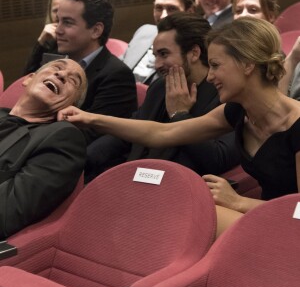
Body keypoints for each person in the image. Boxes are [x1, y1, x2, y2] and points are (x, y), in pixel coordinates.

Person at [58, 17, 300, 237]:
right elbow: (162, 133)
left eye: (216, 65)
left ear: (247, 65)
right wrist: (90, 118)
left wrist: (238, 202)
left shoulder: (296, 123)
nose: (211, 75)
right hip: (266, 213)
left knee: (188, 216)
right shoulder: (237, 110)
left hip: (290, 222)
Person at [84, 12, 238, 183]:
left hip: (179, 191)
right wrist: (84, 159)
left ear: (194, 53)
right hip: (135, 181)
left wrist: (180, 115)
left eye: (164, 54)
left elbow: (217, 160)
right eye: (155, 55)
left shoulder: (225, 94)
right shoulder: (159, 88)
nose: (157, 65)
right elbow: (129, 134)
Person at [0, 58, 87, 239]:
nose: (61, 75)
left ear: (71, 106)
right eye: (56, 67)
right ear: (29, 78)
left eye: (72, 81)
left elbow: (8, 212)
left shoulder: (63, 139)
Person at [55, 0, 137, 144]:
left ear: (95, 30)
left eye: (67, 23)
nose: (58, 30)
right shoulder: (54, 62)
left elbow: (90, 136)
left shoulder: (116, 75)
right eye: (58, 21)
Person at [232, 0, 300, 99]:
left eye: (253, 10)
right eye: (238, 11)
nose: (243, 15)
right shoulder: (225, 52)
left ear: (270, 16)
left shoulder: (276, 60)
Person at [121, 0, 195, 85]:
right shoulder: (144, 31)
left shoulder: (192, 48)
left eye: (172, 8)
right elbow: (116, 66)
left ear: (189, 12)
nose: (163, 16)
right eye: (159, 8)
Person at [23, 0, 66, 75]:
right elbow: (27, 78)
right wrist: (41, 42)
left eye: (64, 10)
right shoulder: (50, 40)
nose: (58, 15)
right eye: (55, 10)